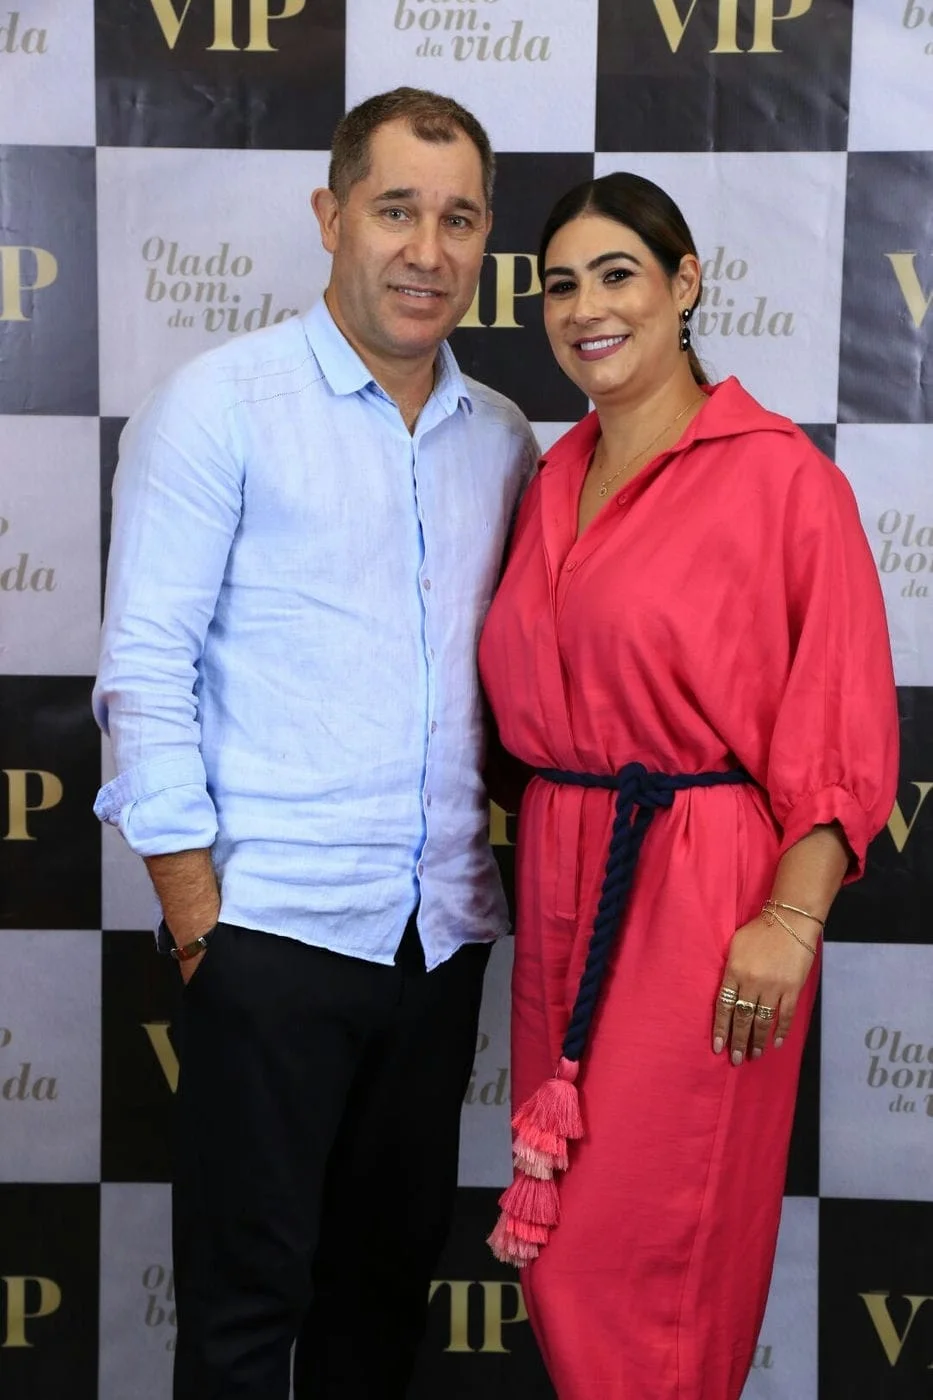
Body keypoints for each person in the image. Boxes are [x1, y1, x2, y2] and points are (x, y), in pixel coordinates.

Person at [92, 87, 536, 1400]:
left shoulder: (505, 438)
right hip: (268, 936)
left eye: (459, 219)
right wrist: (200, 928)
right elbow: (144, 677)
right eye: (396, 210)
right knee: (242, 1322)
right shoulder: (218, 405)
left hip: (437, 944)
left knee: (379, 1313)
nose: (428, 251)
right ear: (329, 215)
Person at [477, 173, 899, 1400]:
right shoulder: (551, 474)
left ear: (685, 284)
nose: (586, 309)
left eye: (619, 274)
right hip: (562, 875)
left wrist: (791, 916)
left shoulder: (782, 477)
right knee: (562, 1247)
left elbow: (839, 717)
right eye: (561, 285)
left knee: (651, 1251)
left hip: (707, 894)